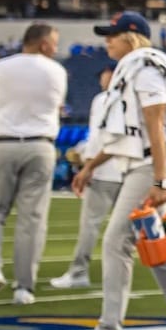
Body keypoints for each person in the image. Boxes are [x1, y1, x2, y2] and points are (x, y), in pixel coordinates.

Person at [66, 12, 166, 330]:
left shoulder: (143, 69)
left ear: (131, 37)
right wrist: (90, 166)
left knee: (117, 242)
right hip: (143, 165)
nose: (107, 42)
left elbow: (155, 127)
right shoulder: (133, 70)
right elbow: (130, 136)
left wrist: (160, 180)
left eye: (112, 36)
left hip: (148, 169)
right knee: (156, 246)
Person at [0, 22, 66, 307]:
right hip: (40, 144)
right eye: (54, 43)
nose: (55, 49)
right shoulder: (57, 71)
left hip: (2, 142)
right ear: (44, 44)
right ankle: (24, 287)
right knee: (31, 219)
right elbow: (57, 106)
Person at [52, 68, 122, 291]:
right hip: (128, 171)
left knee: (91, 225)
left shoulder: (104, 100)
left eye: (107, 73)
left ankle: (78, 271)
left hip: (104, 171)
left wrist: (87, 165)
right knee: (131, 228)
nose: (103, 78)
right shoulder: (133, 98)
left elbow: (101, 138)